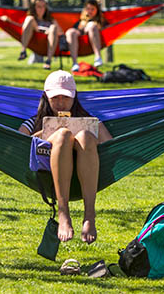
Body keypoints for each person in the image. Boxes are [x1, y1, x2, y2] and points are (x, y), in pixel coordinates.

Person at [18, 71, 113, 243]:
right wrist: (48, 132)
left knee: (84, 135)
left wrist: (89, 130)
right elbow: (18, 143)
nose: (61, 103)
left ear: (74, 97)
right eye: (55, 98)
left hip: (85, 172)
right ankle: (63, 213)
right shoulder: (35, 121)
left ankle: (89, 215)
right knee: (62, 135)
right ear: (46, 97)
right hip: (48, 174)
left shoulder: (89, 119)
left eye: (66, 98)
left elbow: (111, 145)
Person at [16, 0, 63, 70]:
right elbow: (21, 28)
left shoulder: (50, 20)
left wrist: (49, 31)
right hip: (35, 40)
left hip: (48, 42)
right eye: (39, 6)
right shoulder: (31, 19)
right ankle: (23, 51)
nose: (42, 9)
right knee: (29, 18)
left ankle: (48, 60)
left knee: (53, 27)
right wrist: (8, 21)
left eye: (43, 6)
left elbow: (61, 32)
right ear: (34, 7)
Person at [66, 0, 106, 73]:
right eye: (88, 9)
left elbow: (103, 28)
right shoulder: (81, 20)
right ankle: (75, 63)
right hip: (79, 40)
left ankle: (98, 57)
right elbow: (77, 30)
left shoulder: (100, 20)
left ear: (97, 10)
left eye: (92, 9)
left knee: (91, 26)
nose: (90, 11)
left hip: (92, 41)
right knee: (70, 32)